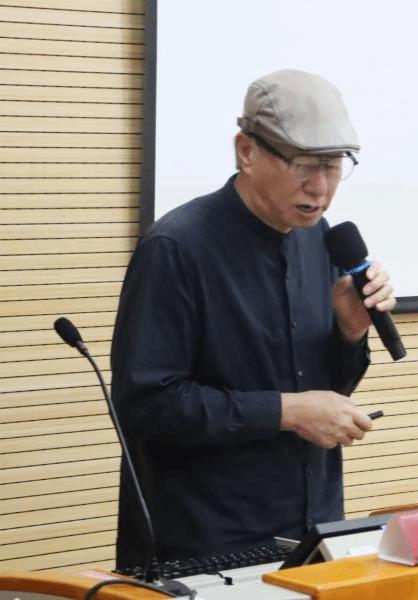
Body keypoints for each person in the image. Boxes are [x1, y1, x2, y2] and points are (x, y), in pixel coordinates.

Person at [109, 69, 395, 569]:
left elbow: (323, 390)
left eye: (333, 166)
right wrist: (288, 412)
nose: (320, 187)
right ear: (246, 151)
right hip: (208, 542)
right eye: (304, 165)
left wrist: (349, 334)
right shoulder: (175, 248)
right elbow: (146, 404)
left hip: (314, 528)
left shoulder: (319, 238)